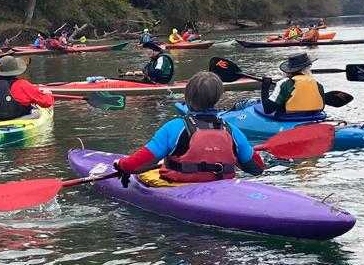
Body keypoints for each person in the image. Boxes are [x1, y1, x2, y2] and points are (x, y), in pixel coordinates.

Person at [104, 71, 266, 185]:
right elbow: (257, 168)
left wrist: (121, 165)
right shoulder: (231, 131)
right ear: (217, 98)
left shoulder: (174, 128)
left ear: (187, 98)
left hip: (180, 187)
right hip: (220, 189)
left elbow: (137, 163)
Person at [0, 55, 54, 122]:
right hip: (21, 121)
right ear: (16, 71)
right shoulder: (23, 85)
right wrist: (48, 94)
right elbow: (47, 103)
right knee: (38, 113)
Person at [261, 52, 326, 117]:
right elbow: (322, 107)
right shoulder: (317, 84)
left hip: (289, 118)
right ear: (308, 68)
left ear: (289, 71)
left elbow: (268, 110)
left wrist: (265, 87)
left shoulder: (284, 83)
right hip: (312, 118)